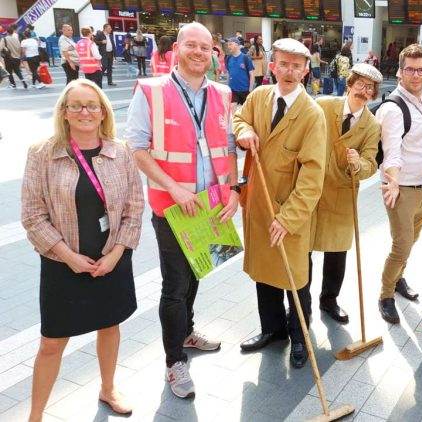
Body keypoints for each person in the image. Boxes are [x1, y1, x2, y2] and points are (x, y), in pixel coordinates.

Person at [124, 22, 239, 398]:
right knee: (174, 285)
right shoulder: (152, 91)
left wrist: (234, 191)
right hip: (172, 207)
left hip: (211, 206)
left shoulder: (222, 93)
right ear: (177, 48)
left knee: (197, 275)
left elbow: (229, 147)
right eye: (191, 45)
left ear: (212, 53)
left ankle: (186, 331)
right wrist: (174, 188)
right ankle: (175, 361)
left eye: (205, 48)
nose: (198, 52)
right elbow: (137, 148)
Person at [21, 79, 144, 422]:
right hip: (63, 263)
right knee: (51, 342)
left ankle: (108, 388)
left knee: (109, 325)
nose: (84, 112)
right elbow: (32, 215)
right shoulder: (42, 153)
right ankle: (35, 415)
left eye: (92, 105)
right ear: (63, 111)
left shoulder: (120, 152)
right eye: (75, 105)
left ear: (104, 111)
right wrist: (68, 257)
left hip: (112, 259)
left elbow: (135, 209)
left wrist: (117, 253)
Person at [234, 38, 326, 369]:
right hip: (258, 205)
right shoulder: (259, 97)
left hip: (291, 213)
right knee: (264, 272)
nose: (288, 71)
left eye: (296, 66)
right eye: (283, 64)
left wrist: (288, 218)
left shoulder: (312, 115)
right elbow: (239, 119)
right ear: (272, 66)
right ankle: (272, 329)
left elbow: (313, 176)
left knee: (294, 277)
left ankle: (299, 335)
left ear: (305, 71)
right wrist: (243, 130)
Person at [310, 63, 382, 323]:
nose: (364, 91)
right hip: (310, 190)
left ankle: (329, 300)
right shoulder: (322, 106)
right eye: (360, 84)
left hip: (341, 193)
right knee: (302, 248)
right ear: (349, 84)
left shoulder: (372, 126)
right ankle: (301, 300)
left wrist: (357, 164)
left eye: (370, 88)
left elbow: (371, 163)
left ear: (374, 94)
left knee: (337, 251)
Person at [375, 43, 422, 324]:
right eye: (410, 70)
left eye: (420, 70)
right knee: (401, 246)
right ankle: (385, 295)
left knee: (410, 242)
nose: (415, 75)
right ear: (400, 72)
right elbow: (392, 152)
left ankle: (399, 279)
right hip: (401, 190)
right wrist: (394, 183)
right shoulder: (394, 108)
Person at [224, 37, 254, 109]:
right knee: (232, 109)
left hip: (245, 90)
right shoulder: (228, 58)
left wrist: (250, 89)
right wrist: (228, 86)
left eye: (230, 44)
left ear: (237, 45)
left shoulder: (246, 58)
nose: (228, 47)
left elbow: (252, 75)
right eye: (228, 45)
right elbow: (228, 73)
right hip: (233, 90)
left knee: (247, 113)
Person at [1, 24, 27, 89]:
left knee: (9, 71)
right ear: (13, 32)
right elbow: (19, 49)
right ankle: (23, 82)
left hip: (9, 58)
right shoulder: (16, 40)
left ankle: (13, 84)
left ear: (7, 32)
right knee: (17, 71)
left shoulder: (4, 39)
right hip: (17, 58)